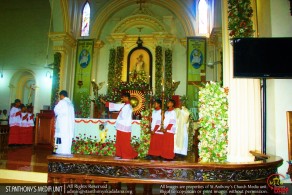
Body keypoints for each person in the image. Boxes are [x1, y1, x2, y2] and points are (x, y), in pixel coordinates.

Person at [100, 93, 138, 159]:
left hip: (124, 126)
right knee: (119, 141)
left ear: (126, 98)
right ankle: (120, 154)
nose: (122, 99)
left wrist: (118, 113)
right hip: (121, 126)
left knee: (124, 142)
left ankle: (128, 155)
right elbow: (115, 106)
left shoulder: (128, 107)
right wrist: (105, 103)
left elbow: (123, 116)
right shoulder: (124, 105)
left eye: (123, 97)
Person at [53, 90, 75, 154]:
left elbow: (55, 110)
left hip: (62, 126)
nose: (59, 98)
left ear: (62, 95)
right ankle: (67, 153)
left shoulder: (62, 102)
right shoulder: (70, 103)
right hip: (69, 127)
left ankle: (57, 151)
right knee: (67, 141)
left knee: (58, 139)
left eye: (60, 96)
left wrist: (56, 104)